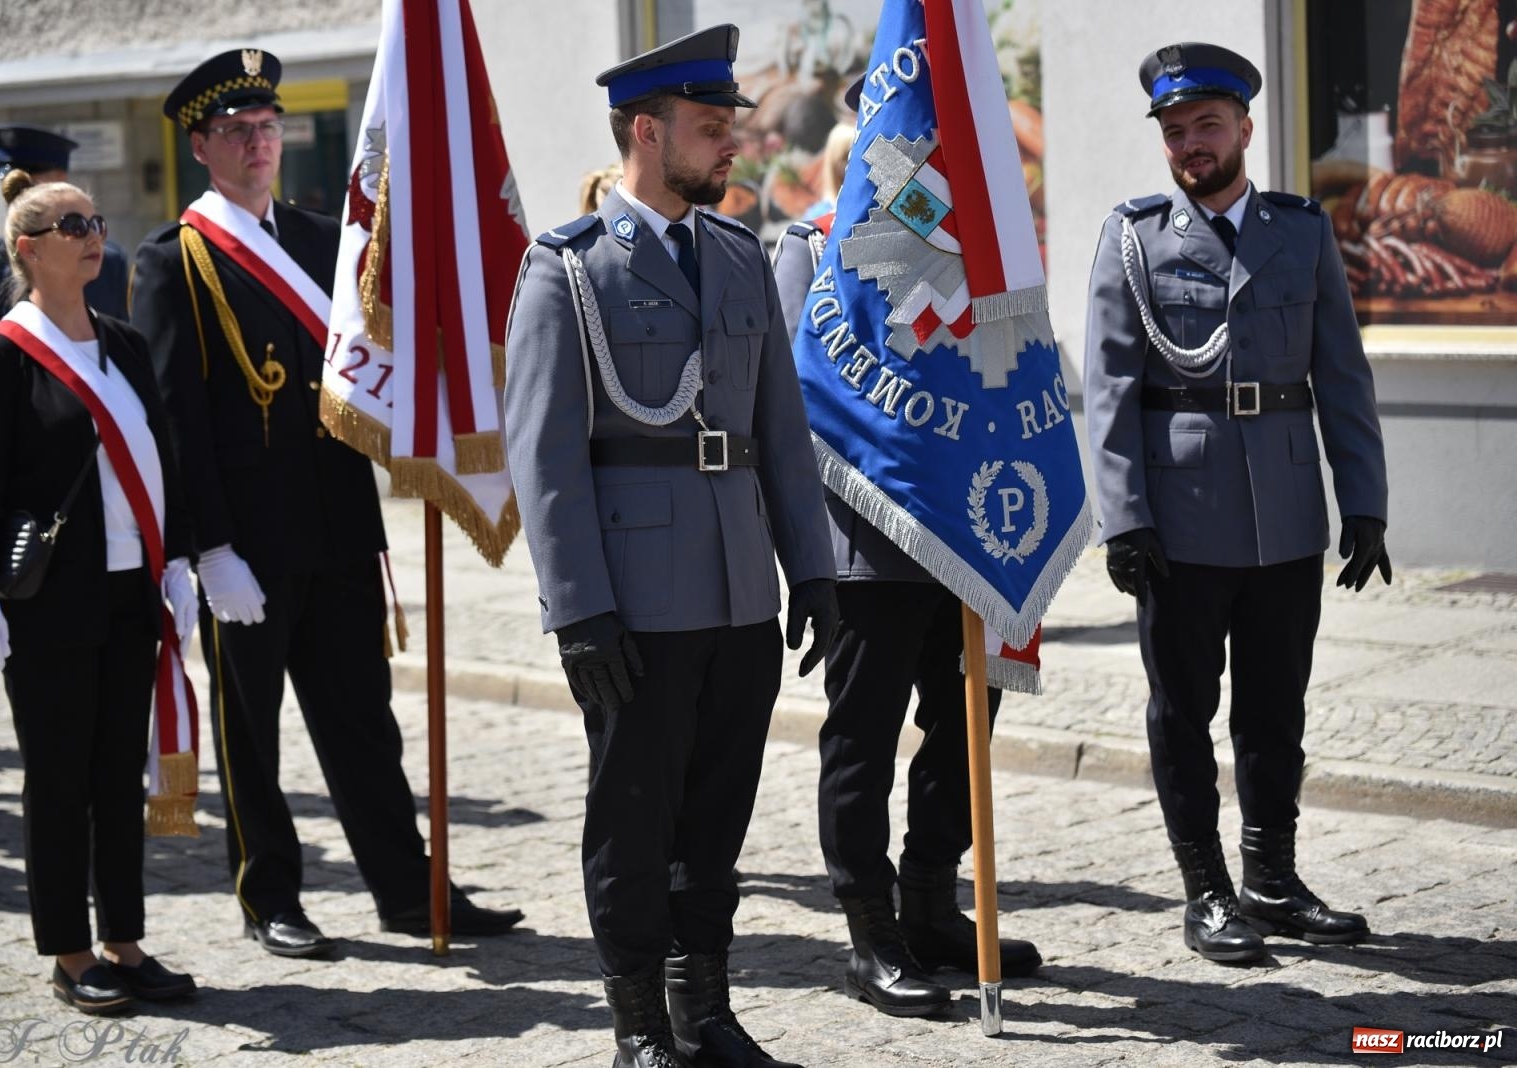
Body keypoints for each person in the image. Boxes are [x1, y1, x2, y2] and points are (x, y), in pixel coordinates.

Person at [129, 48, 521, 960]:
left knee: (363, 724)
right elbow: (174, 417)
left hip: (341, 528)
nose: (258, 144)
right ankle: (269, 895)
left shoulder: (320, 241)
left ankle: (407, 887)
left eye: (268, 129)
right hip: (250, 548)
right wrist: (206, 547)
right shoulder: (175, 260)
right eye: (236, 132)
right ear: (201, 147)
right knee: (251, 734)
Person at [504, 24, 838, 1068]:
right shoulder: (567, 269)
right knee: (634, 824)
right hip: (635, 600)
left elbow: (780, 431)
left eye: (729, 123)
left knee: (716, 821)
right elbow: (544, 454)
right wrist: (577, 609)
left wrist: (813, 570)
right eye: (708, 127)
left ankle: (705, 1008)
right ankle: (638, 1026)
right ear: (646, 132)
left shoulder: (738, 254)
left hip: (739, 591)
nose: (730, 144)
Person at [1082, 43, 1389, 965]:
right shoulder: (1133, 239)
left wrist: (1364, 503)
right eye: (1175, 132)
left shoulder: (1299, 231)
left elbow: (1342, 375)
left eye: (1206, 125)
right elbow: (1109, 390)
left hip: (1287, 512)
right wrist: (1125, 517)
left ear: (1245, 129)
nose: (1190, 144)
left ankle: (1271, 879)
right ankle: (1207, 892)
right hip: (1181, 518)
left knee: (1275, 709)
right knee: (1183, 710)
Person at [771, 81, 1041, 1019]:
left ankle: (931, 897)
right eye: (909, 133)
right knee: (864, 736)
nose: (924, 147)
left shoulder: (986, 247)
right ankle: (869, 927)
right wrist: (801, 558)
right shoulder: (809, 248)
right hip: (866, 544)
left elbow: (1017, 376)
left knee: (969, 725)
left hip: (971, 530)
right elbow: (788, 408)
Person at [0, 172, 198, 1014]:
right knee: (58, 781)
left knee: (117, 774)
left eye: (95, 219)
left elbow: (162, 457)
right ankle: (69, 951)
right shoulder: (3, 354)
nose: (94, 233)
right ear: (28, 249)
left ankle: (124, 939)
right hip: (50, 602)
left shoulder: (121, 342)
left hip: (132, 593)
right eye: (72, 224)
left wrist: (180, 562)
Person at [0, 126, 131, 429]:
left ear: (60, 180)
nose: (17, 188)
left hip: (107, 430)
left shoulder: (108, 262)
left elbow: (124, 356)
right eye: (10, 179)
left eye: (33, 177)